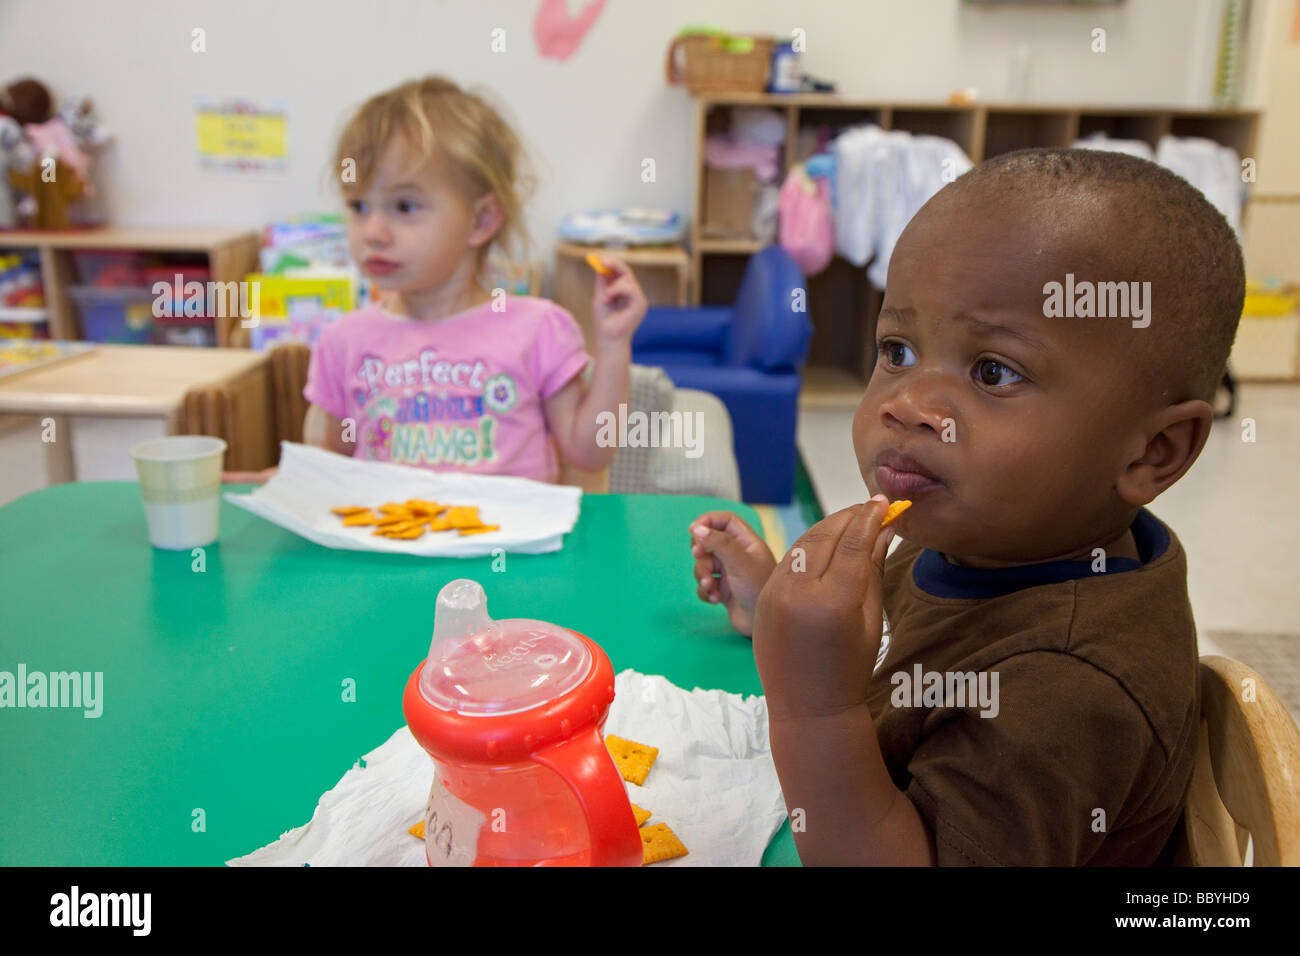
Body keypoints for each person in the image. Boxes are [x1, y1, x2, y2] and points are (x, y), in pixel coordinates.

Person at [690, 148, 1243, 865]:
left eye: (993, 371)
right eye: (897, 350)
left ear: (1153, 452)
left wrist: (815, 708)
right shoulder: (993, 531)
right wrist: (779, 607)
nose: (907, 404)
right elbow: (895, 650)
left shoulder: (1067, 692)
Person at [229, 75, 645, 483]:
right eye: (358, 206)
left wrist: (612, 346)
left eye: (405, 207)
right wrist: (282, 480)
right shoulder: (343, 342)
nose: (373, 231)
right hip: (388, 548)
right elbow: (330, 471)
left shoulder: (538, 329)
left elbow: (590, 454)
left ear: (481, 220)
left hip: (509, 550)